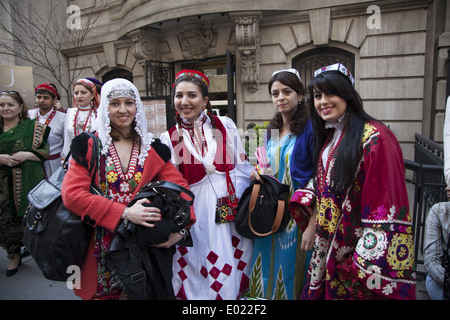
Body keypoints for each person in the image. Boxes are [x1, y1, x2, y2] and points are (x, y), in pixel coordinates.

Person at [61, 78, 195, 300]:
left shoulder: (152, 148)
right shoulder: (89, 145)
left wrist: (179, 232)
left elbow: (180, 190)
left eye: (129, 103)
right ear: (105, 107)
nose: (123, 110)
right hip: (99, 249)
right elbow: (73, 195)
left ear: (137, 107)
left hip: (141, 249)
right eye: (115, 104)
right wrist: (124, 212)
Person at [293, 63, 416, 299]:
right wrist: (311, 223)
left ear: (348, 94)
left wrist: (363, 262)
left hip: (357, 256)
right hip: (326, 246)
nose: (322, 101)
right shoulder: (331, 135)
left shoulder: (376, 138)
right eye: (317, 96)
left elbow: (386, 205)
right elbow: (323, 186)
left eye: (331, 93)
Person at [160, 70, 254, 300]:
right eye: (179, 96)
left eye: (192, 95)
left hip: (230, 207)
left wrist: (255, 183)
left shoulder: (224, 125)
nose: (184, 102)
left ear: (205, 101)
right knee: (200, 265)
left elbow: (242, 166)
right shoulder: (170, 137)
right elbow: (171, 186)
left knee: (234, 260)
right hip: (197, 213)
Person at [247, 69, 314, 300]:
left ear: (300, 95)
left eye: (287, 91)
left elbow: (321, 176)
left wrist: (313, 222)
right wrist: (257, 172)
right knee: (264, 267)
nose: (280, 97)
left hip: (297, 215)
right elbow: (265, 165)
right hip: (270, 210)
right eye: (275, 93)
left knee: (292, 270)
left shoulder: (311, 129)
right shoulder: (270, 130)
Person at [0, 90, 50, 276]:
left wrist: (27, 155)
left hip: (27, 182)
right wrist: (1, 158)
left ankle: (36, 250)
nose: (5, 108)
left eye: (10, 104)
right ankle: (13, 256)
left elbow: (45, 151)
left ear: (20, 107)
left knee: (32, 218)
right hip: (3, 186)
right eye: (2, 105)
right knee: (6, 222)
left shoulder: (34, 128)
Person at [29, 82, 66, 177]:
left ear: (54, 100)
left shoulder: (63, 118)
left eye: (46, 98)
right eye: (39, 97)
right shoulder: (29, 115)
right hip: (33, 162)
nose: (41, 100)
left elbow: (66, 142)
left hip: (54, 163)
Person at [61, 78, 100, 161]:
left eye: (83, 92)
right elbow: (67, 138)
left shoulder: (98, 113)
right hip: (73, 159)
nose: (79, 96)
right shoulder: (70, 112)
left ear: (92, 95)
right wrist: (64, 159)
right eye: (76, 93)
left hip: (93, 158)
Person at [424, 201, 450, 300]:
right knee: (433, 283)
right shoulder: (440, 211)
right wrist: (447, 280)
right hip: (443, 281)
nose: (447, 187)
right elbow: (431, 259)